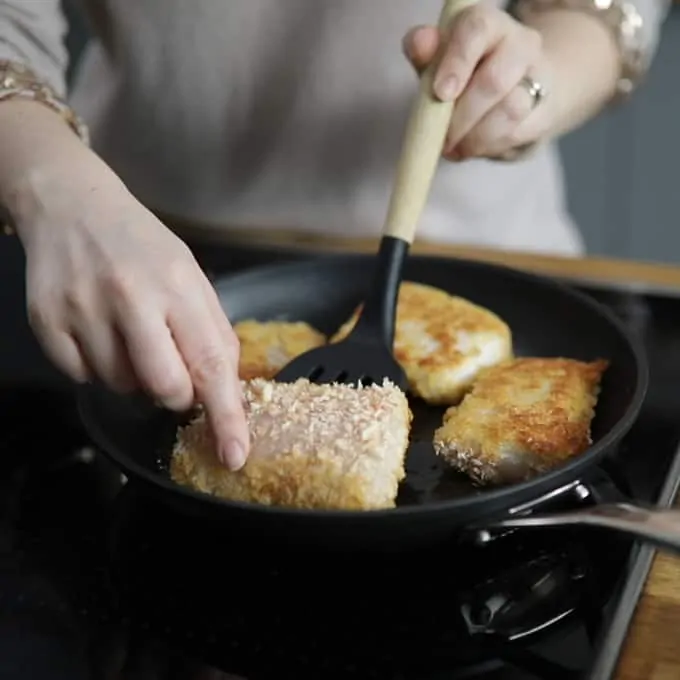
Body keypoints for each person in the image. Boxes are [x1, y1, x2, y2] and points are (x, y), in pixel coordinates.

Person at [0, 0, 669, 470]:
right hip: (126, 248)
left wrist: (536, 79)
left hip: (481, 241)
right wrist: (48, 181)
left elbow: (605, 10)